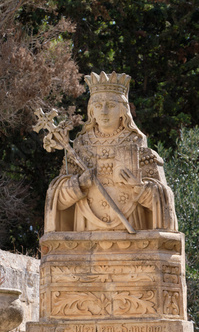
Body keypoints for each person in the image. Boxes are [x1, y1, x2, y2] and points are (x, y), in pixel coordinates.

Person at [44, 71, 178, 233]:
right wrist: (78, 183)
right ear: (91, 111)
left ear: (123, 110)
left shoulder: (138, 149)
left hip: (132, 235)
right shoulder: (80, 149)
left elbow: (163, 202)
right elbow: (59, 201)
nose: (104, 111)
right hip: (86, 234)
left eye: (111, 105)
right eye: (99, 105)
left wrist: (139, 187)